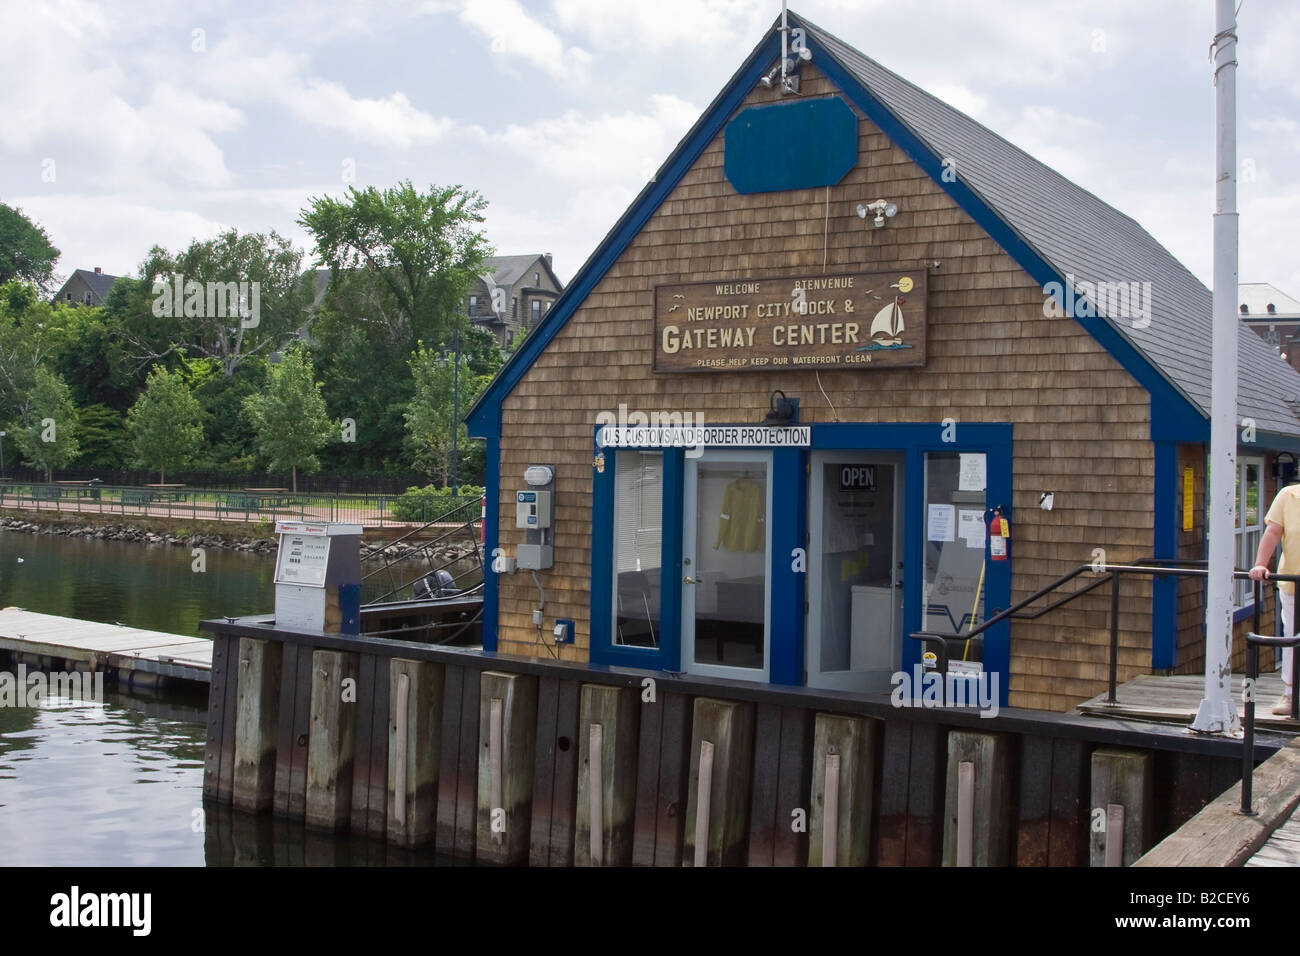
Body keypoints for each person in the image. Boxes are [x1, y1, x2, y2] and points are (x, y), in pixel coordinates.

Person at [1249, 483, 1300, 715]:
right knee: (1292, 637)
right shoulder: (1288, 495)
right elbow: (1273, 532)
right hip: (1294, 582)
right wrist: (1261, 563)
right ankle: (1290, 694)